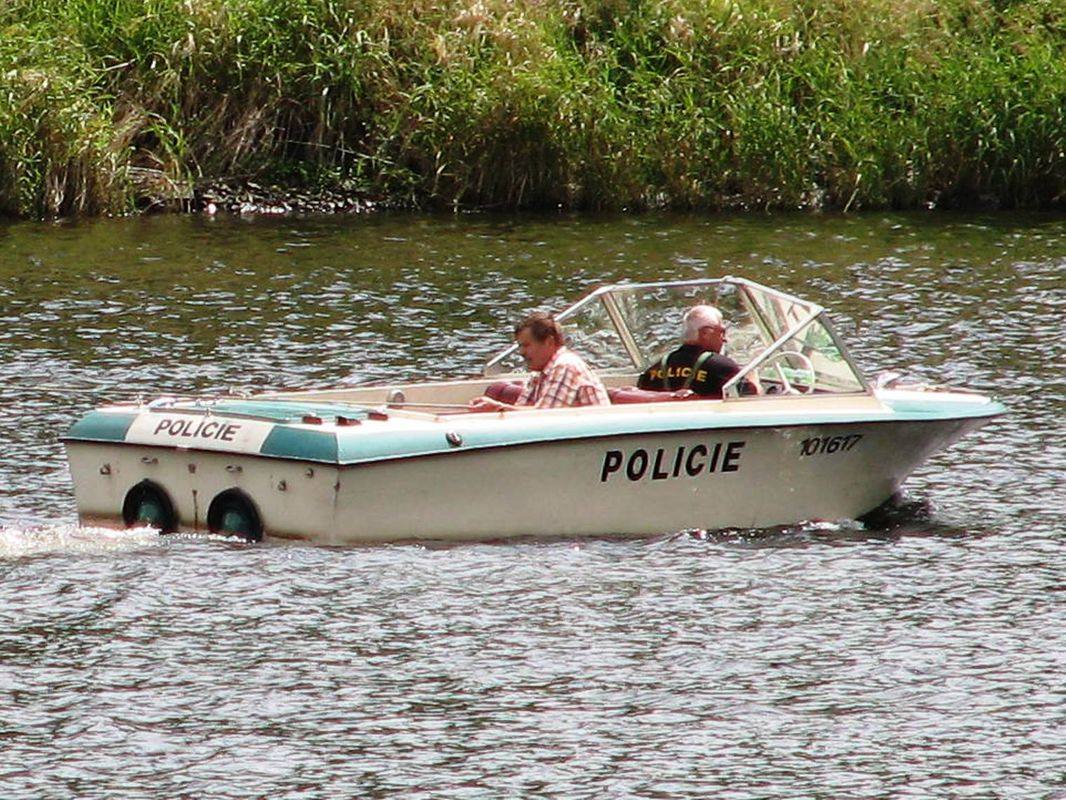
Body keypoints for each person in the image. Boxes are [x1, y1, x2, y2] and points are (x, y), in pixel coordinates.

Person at [469, 312, 609, 411]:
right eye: (520, 346)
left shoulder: (565, 365)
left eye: (526, 345)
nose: (521, 352)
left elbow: (544, 418)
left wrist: (497, 408)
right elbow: (524, 410)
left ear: (549, 342)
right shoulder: (539, 373)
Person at [637, 304, 757, 397]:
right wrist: (753, 376)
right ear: (705, 333)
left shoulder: (653, 371)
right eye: (722, 332)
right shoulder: (722, 368)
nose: (724, 339)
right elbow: (752, 399)